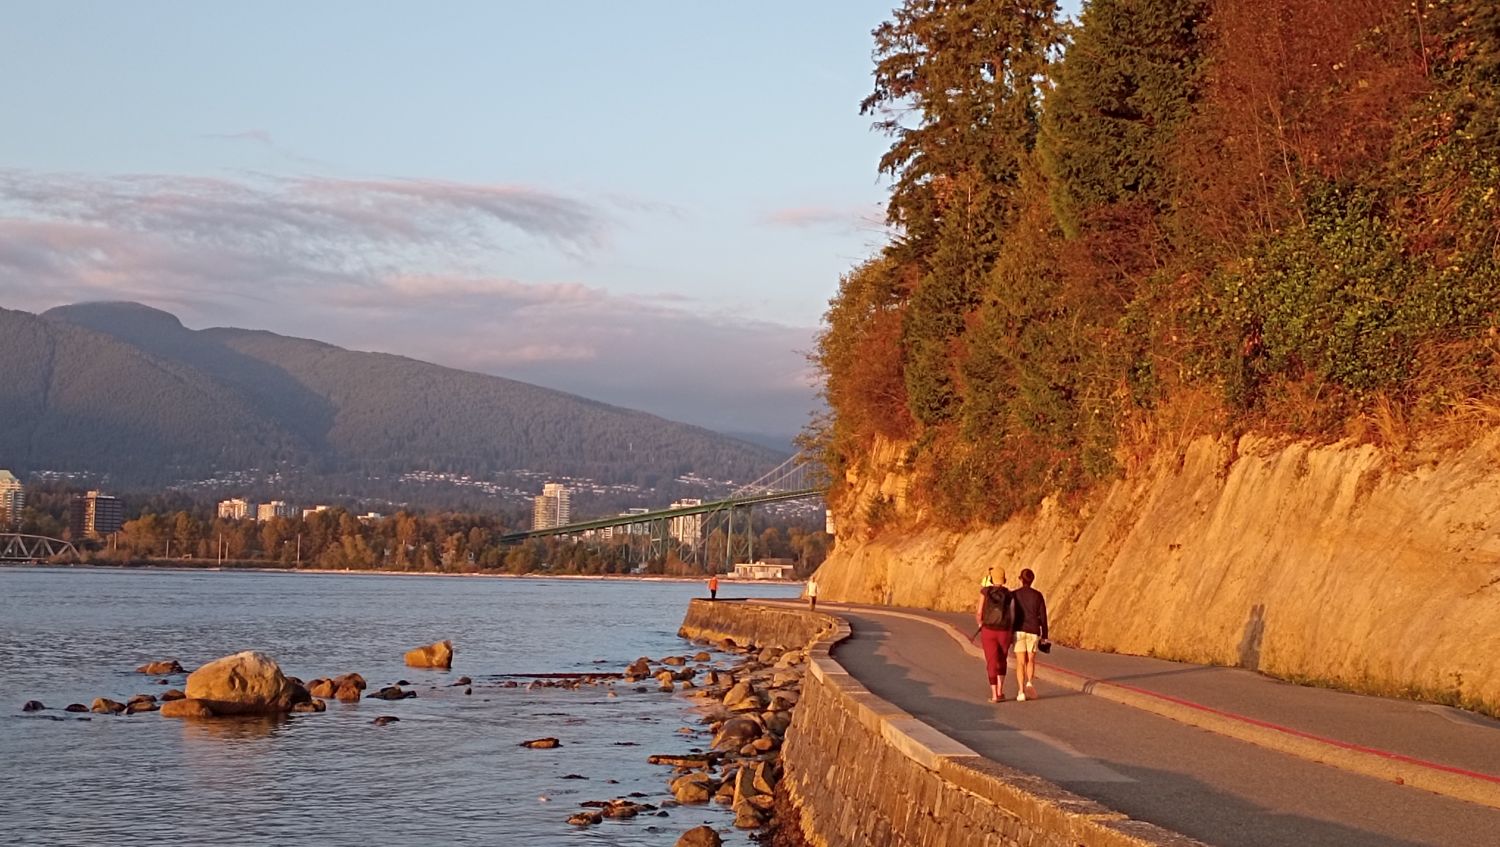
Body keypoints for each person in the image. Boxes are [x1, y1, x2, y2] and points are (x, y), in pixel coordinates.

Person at [974, 569, 1015, 703]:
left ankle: (994, 695)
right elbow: (1012, 614)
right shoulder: (1009, 594)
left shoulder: (985, 592)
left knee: (991, 661)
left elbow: (979, 612)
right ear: (1004, 579)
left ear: (991, 579)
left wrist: (980, 624)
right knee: (1002, 659)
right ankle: (1000, 691)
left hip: (988, 630)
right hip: (1004, 630)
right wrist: (1011, 631)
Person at [1011, 568, 1049, 702]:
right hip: (1033, 630)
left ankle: (1021, 691)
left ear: (1021, 579)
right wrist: (1045, 635)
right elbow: (1043, 616)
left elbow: (1011, 613)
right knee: (1031, 660)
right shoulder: (1038, 595)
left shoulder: (1014, 594)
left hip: (1019, 630)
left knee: (1020, 662)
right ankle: (1029, 683)